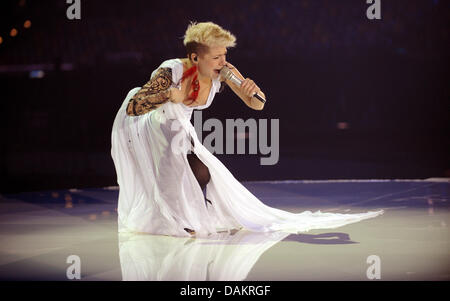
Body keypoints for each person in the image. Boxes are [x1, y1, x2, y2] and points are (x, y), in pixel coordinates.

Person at [111, 22, 382, 238]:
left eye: (225, 54)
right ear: (195, 57)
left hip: (178, 125)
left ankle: (188, 213)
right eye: (216, 56)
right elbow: (135, 106)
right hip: (148, 123)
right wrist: (171, 95)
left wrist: (254, 92)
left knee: (201, 170)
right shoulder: (172, 71)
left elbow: (257, 105)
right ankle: (175, 220)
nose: (222, 60)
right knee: (175, 157)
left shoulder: (224, 71)